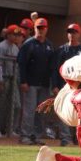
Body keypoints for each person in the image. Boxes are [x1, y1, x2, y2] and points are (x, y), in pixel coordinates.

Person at [17, 17, 55, 145]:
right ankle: (25, 135)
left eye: (43, 28)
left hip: (43, 84)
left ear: (47, 29)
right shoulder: (28, 44)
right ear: (35, 28)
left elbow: (52, 66)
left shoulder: (49, 45)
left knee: (41, 111)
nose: (41, 30)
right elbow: (22, 64)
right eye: (39, 28)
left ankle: (36, 135)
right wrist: (23, 81)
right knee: (29, 110)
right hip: (30, 83)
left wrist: (52, 83)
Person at [51, 23, 81, 146]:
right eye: (69, 32)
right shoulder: (61, 50)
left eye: (74, 32)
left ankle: (77, 138)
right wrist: (55, 85)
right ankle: (66, 139)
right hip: (63, 88)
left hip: (78, 88)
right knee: (64, 112)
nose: (71, 34)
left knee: (78, 113)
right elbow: (55, 69)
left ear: (79, 34)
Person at [0, 25, 22, 138]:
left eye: (17, 35)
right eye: (14, 34)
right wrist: (0, 80)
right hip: (3, 77)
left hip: (12, 78)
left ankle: (10, 129)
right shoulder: (1, 47)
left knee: (17, 105)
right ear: (8, 35)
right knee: (0, 105)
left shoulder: (15, 48)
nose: (16, 37)